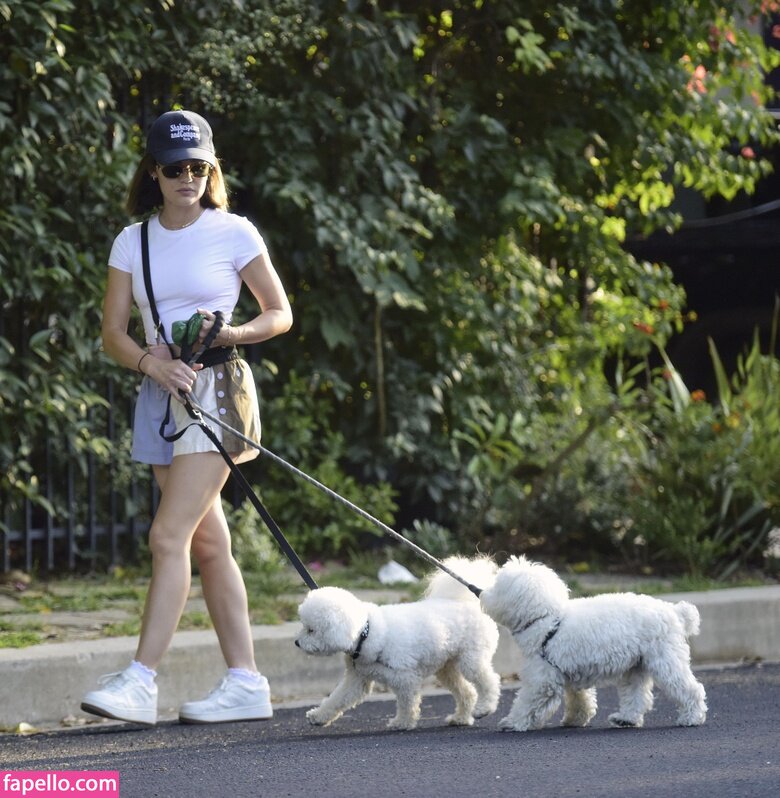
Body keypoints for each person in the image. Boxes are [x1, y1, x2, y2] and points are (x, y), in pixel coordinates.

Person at [80, 109, 292, 725]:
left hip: (216, 390)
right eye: (175, 169)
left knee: (167, 536)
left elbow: (279, 313)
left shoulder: (234, 232)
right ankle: (246, 682)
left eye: (198, 167)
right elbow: (113, 334)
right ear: (154, 171)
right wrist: (152, 365)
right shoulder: (133, 240)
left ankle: (141, 681)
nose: (187, 179)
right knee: (207, 541)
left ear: (211, 170)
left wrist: (232, 332)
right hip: (160, 395)